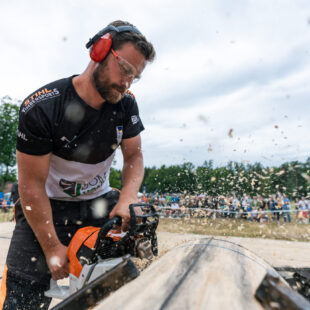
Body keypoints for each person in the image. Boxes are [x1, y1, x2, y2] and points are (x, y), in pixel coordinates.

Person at [0, 20, 155, 310]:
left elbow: (134, 157)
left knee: (121, 283)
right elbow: (31, 185)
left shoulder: (126, 105)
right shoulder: (43, 107)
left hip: (98, 203)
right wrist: (50, 247)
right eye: (124, 69)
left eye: (135, 77)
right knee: (22, 296)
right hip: (45, 208)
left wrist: (126, 198)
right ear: (99, 51)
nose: (126, 83)